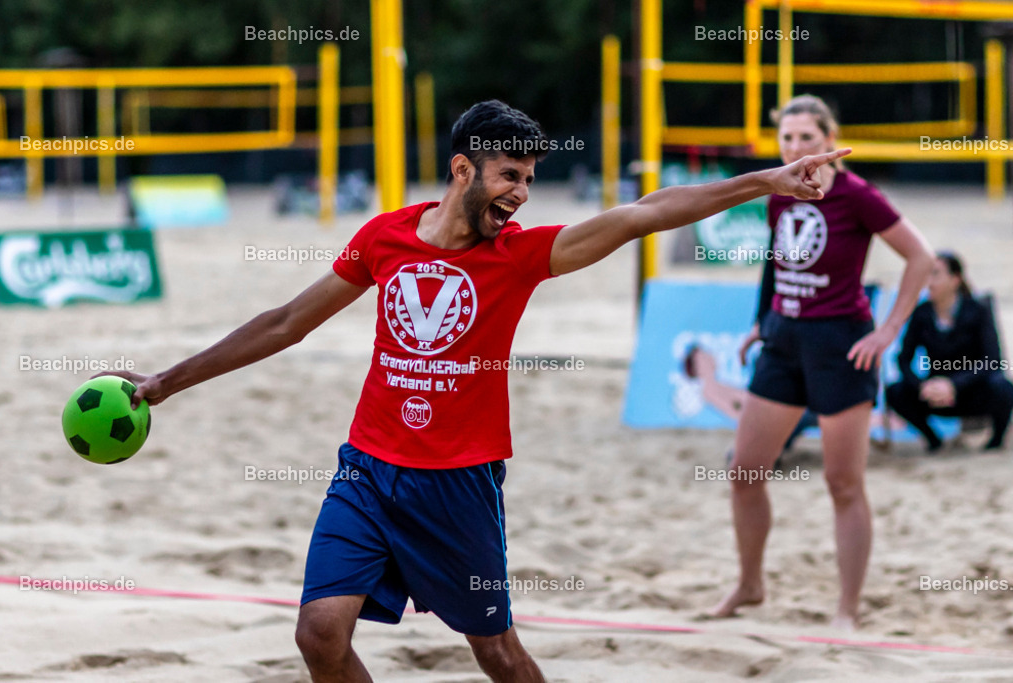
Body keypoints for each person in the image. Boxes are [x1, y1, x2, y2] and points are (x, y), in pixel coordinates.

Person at [100, 99, 846, 682]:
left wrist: (767, 180)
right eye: (508, 176)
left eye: (528, 178)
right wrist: (165, 382)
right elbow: (287, 321)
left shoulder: (521, 255)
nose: (520, 193)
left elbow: (643, 212)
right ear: (463, 170)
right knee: (318, 635)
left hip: (458, 482)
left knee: (497, 654)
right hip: (366, 470)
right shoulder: (386, 237)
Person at [711, 94, 934, 630]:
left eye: (806, 137)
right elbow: (775, 261)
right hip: (783, 343)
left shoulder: (858, 196)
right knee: (744, 471)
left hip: (841, 345)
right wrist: (759, 321)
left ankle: (847, 609)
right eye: (787, 137)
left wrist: (888, 330)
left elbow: (921, 257)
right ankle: (750, 584)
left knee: (843, 484)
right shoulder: (780, 190)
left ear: (830, 140)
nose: (795, 147)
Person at [885, 251, 1013, 452]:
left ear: (955, 279)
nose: (929, 281)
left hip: (972, 390)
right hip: (935, 394)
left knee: (1003, 388)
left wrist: (954, 384)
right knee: (895, 391)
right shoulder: (922, 313)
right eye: (926, 275)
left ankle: (996, 441)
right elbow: (902, 359)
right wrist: (922, 386)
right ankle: (933, 441)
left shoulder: (978, 310)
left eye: (935, 274)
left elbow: (992, 360)